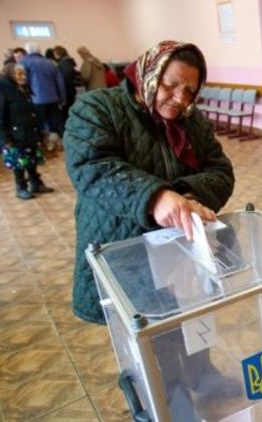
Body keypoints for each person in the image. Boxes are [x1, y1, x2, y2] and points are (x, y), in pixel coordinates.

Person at [63, 40, 234, 325]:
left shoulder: (192, 121)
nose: (180, 98)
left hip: (179, 251)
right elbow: (92, 167)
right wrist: (155, 197)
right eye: (171, 85)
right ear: (149, 74)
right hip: (122, 248)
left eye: (190, 91)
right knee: (137, 333)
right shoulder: (97, 108)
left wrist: (186, 195)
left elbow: (220, 170)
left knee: (188, 327)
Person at [0, 63, 55, 199]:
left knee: (31, 160)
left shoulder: (22, 87)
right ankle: (21, 187)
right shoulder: (1, 88)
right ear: (10, 74)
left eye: (24, 74)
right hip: (14, 135)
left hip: (29, 132)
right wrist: (3, 139)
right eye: (19, 74)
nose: (23, 77)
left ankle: (36, 184)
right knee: (18, 163)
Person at [21, 42, 66, 136]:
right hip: (53, 98)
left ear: (27, 51)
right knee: (58, 124)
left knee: (40, 126)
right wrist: (62, 98)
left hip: (36, 100)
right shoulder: (50, 62)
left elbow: (24, 82)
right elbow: (60, 82)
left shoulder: (24, 63)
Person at [52, 46, 78, 115]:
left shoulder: (65, 62)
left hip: (67, 88)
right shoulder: (67, 61)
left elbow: (65, 76)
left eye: (54, 53)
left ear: (58, 53)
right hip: (70, 87)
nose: (54, 55)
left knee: (67, 109)